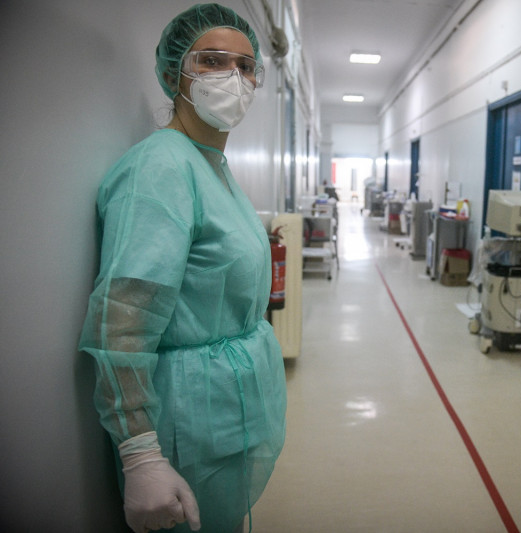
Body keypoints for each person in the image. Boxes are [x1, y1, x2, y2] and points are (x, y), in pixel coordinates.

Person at [79, 4, 286, 532]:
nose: (233, 78)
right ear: (174, 74)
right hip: (185, 424)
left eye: (245, 66)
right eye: (212, 61)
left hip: (223, 412)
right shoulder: (161, 167)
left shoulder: (210, 165)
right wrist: (141, 455)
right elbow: (122, 323)